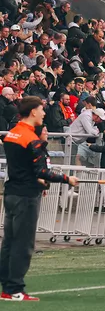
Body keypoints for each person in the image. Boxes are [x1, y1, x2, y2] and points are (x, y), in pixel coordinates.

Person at [0, 96, 79, 301]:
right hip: (27, 196)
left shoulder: (12, 134)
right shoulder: (31, 139)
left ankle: (6, 287)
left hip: (11, 192)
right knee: (23, 243)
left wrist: (38, 178)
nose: (44, 113)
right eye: (42, 110)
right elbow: (42, 171)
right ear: (33, 112)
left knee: (9, 242)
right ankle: (15, 289)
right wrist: (66, 179)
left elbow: (23, 168)